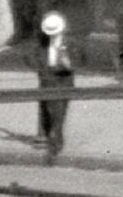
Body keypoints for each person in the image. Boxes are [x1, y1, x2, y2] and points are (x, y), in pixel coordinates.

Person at [37, 11, 75, 165]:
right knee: (49, 111)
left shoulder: (69, 42)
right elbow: (38, 59)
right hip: (48, 78)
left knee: (59, 113)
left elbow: (76, 63)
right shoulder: (42, 43)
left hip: (63, 79)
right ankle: (51, 141)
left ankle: (55, 145)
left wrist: (67, 61)